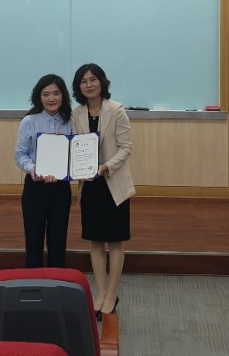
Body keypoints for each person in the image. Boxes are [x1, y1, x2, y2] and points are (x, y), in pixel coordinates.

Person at [71, 63, 134, 320]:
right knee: (95, 241)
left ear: (102, 82)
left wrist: (106, 167)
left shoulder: (116, 110)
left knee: (115, 241)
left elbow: (126, 147)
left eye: (93, 79)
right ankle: (101, 292)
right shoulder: (76, 114)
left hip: (112, 182)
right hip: (90, 185)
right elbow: (75, 147)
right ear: (78, 87)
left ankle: (113, 293)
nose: (89, 84)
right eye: (83, 81)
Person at [14, 73, 73, 268]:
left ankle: (57, 282)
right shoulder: (29, 121)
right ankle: (33, 281)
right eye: (46, 94)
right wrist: (33, 169)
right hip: (35, 188)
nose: (51, 98)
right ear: (39, 97)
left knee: (58, 241)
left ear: (63, 95)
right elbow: (20, 155)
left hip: (61, 188)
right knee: (33, 240)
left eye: (56, 93)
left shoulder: (71, 121)